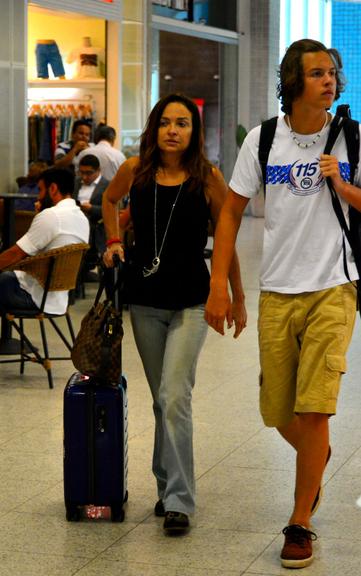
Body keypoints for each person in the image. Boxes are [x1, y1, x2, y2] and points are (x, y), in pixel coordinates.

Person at [205, 39, 360, 569]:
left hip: (334, 287)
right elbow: (230, 213)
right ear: (293, 82)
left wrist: (342, 184)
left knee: (313, 409)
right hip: (277, 289)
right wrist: (218, 284)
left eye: (332, 73)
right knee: (276, 412)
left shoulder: (351, 138)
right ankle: (317, 460)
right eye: (318, 73)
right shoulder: (264, 139)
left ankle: (300, 522)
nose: (329, 81)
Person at [102, 93, 246, 533]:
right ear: (154, 127)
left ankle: (180, 500)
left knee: (174, 396)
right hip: (144, 301)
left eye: (182, 123)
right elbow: (109, 202)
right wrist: (112, 241)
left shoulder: (208, 178)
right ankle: (166, 488)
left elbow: (226, 237)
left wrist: (236, 295)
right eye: (165, 122)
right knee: (161, 398)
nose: (172, 130)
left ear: (194, 131)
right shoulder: (135, 172)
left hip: (191, 301)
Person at [0, 167, 89, 315]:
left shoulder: (52, 216)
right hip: (58, 299)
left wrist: (42, 215)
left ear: (53, 188)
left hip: (33, 296)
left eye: (40, 190)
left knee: (5, 278)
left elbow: (16, 254)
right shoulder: (81, 217)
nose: (38, 197)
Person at [74, 154, 109, 279]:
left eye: (88, 173)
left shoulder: (107, 185)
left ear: (98, 170)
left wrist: (92, 209)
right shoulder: (76, 183)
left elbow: (112, 209)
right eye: (81, 173)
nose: (84, 177)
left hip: (95, 225)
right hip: (75, 222)